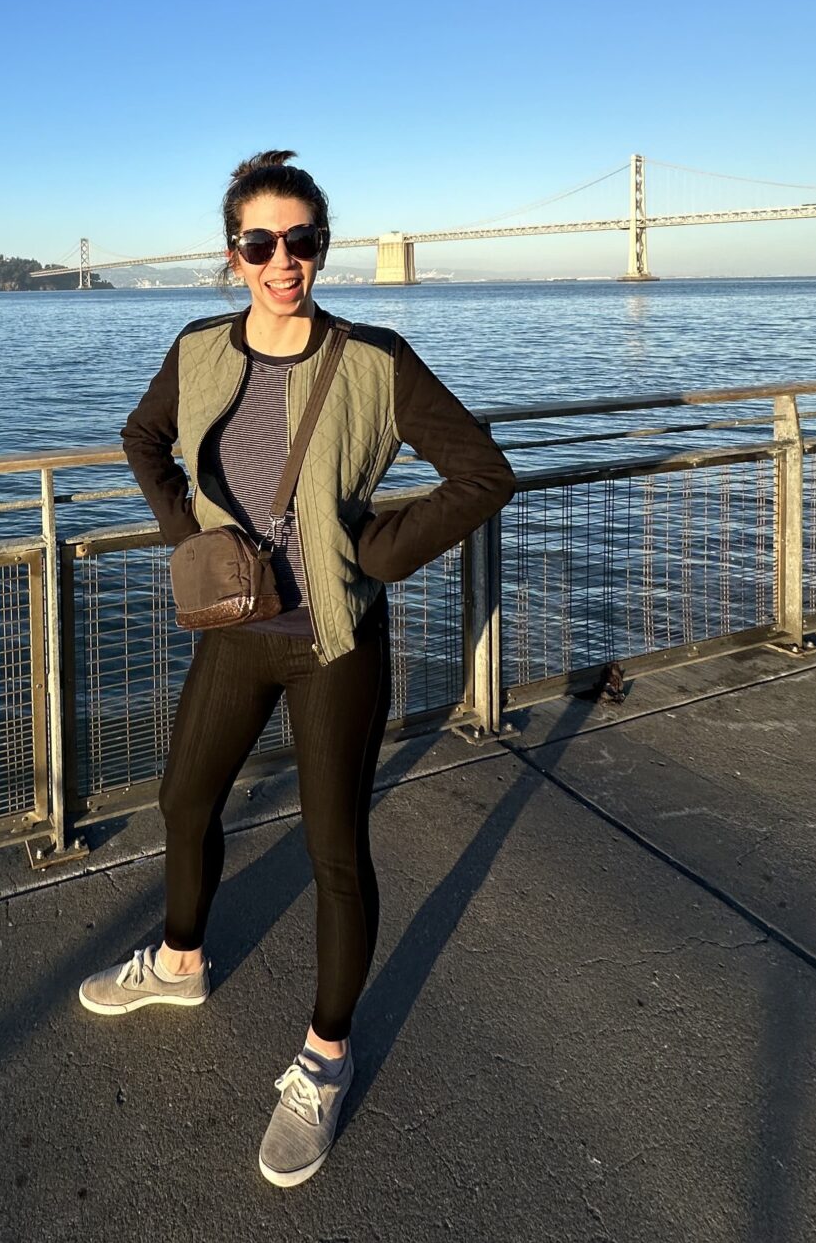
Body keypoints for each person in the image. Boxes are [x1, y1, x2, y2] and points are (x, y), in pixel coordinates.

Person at [78, 150, 516, 1186]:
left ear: (323, 245)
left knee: (333, 850)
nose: (285, 261)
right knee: (185, 800)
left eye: (303, 240)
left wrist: (377, 548)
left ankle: (324, 1053)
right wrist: (190, 532)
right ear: (232, 254)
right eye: (261, 242)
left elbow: (482, 472)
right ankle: (180, 960)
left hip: (331, 642)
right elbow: (142, 438)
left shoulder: (374, 357)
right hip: (233, 628)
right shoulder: (195, 349)